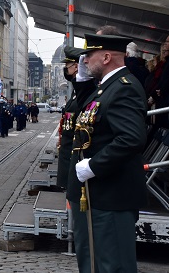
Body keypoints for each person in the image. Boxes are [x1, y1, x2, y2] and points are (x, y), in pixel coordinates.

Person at [67, 34, 148, 273]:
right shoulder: (106, 87)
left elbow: (131, 138)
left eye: (89, 55)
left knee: (112, 265)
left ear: (106, 56)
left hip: (110, 196)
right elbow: (90, 111)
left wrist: (94, 166)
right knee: (93, 261)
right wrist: (81, 80)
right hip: (97, 196)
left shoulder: (125, 88)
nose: (84, 60)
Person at [56, 47, 96, 190]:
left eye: (67, 66)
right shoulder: (75, 89)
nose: (65, 70)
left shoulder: (86, 89)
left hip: (73, 148)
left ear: (76, 66)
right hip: (67, 148)